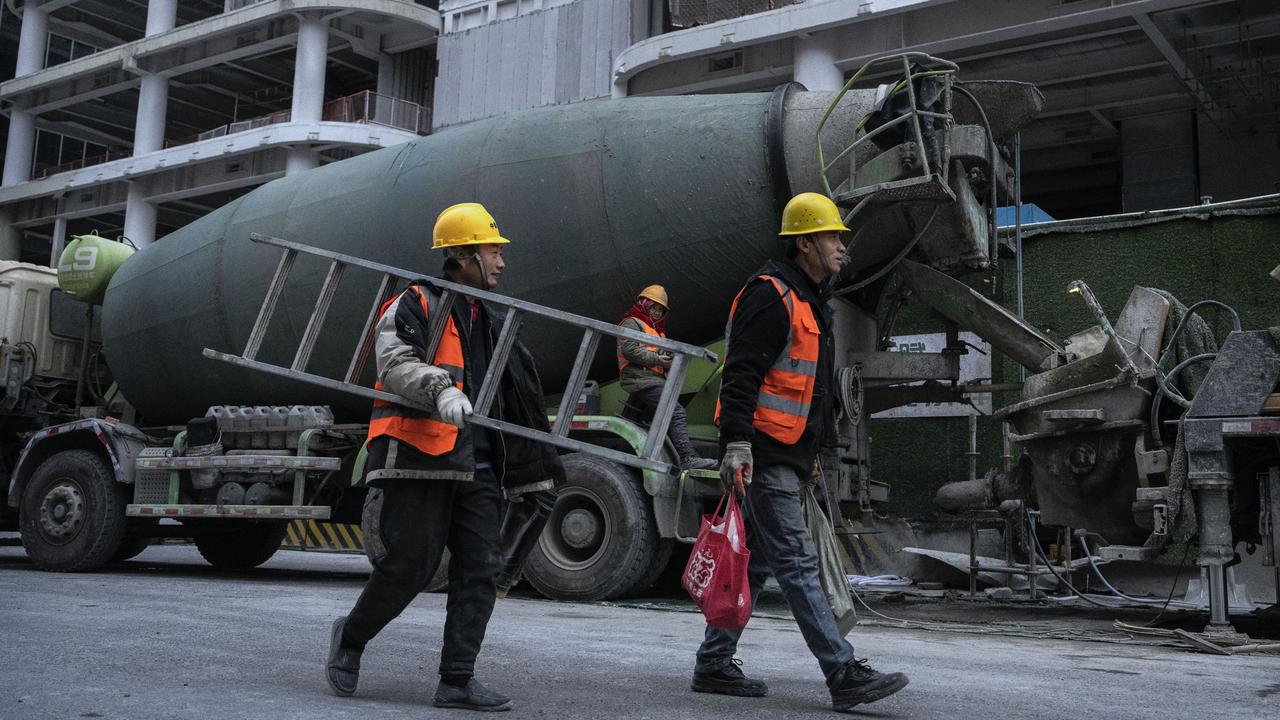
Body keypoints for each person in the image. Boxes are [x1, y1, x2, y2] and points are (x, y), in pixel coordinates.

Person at [326, 202, 563, 712]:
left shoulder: (492, 319)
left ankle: (456, 679)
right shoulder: (414, 303)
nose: (501, 260)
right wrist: (440, 389)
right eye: (492, 249)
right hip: (421, 455)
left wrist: (535, 462)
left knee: (480, 567)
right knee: (410, 566)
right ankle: (350, 638)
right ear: (460, 254)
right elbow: (393, 363)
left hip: (477, 464)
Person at [693, 192, 908, 712]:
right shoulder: (770, 295)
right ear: (805, 242)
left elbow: (809, 392)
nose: (843, 247)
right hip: (763, 455)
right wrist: (738, 447)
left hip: (786, 454)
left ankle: (714, 663)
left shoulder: (811, 299)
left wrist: (812, 454)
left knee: (759, 562)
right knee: (797, 562)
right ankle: (842, 672)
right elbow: (741, 375)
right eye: (834, 237)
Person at [616, 285, 717, 471]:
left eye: (661, 310)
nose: (656, 312)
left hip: (653, 379)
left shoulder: (658, 332)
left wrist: (668, 362)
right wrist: (658, 359)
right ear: (644, 304)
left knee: (643, 421)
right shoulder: (631, 323)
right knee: (675, 412)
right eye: (654, 307)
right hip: (641, 379)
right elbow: (629, 350)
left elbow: (659, 356)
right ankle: (688, 458)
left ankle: (625, 451)